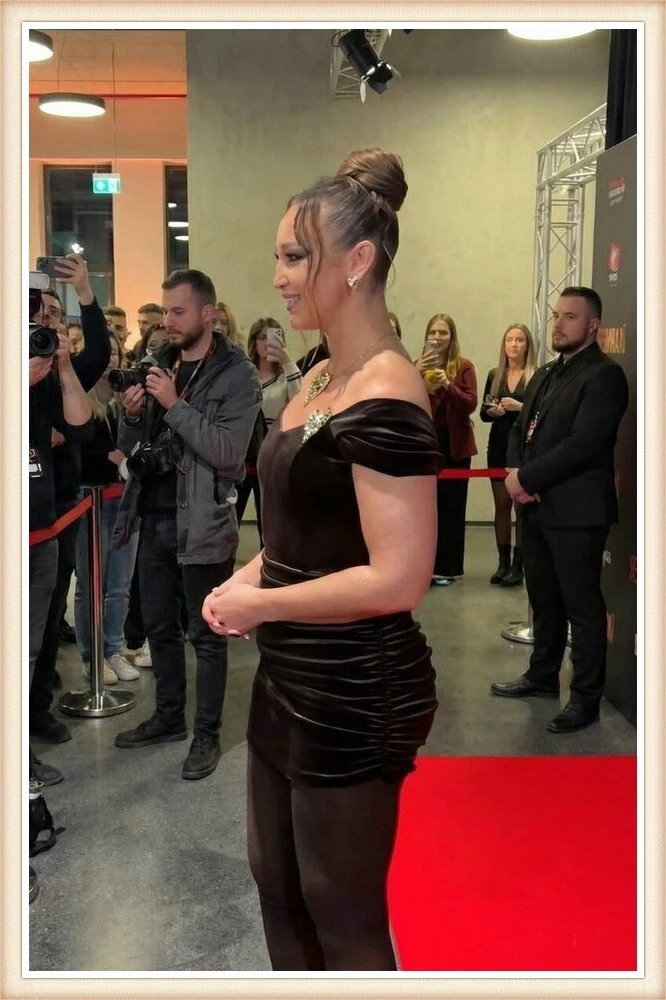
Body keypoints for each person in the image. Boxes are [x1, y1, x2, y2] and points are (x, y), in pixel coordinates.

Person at [202, 148, 440, 971]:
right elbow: (300, 532)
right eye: (279, 256)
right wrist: (244, 580)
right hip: (288, 674)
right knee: (278, 885)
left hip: (354, 689)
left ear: (358, 261)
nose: (279, 277)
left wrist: (262, 603)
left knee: (341, 907)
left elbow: (399, 577)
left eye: (296, 257)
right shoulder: (318, 378)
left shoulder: (387, 389)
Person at [112, 269, 261, 781]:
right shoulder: (159, 361)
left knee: (207, 633)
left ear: (207, 314)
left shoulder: (237, 375)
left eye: (179, 312)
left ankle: (207, 735)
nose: (169, 321)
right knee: (159, 627)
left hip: (203, 520)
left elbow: (227, 453)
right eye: (166, 311)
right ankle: (169, 717)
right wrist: (134, 415)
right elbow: (131, 446)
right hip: (153, 514)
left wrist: (174, 405)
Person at [490, 287, 629, 734]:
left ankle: (585, 698)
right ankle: (542, 675)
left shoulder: (605, 376)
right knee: (543, 598)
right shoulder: (548, 372)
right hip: (536, 508)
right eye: (556, 315)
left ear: (593, 325)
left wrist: (527, 480)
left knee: (581, 608)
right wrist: (517, 474)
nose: (559, 324)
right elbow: (520, 429)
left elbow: (584, 443)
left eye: (570, 317)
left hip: (577, 512)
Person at [29, 257, 112, 746]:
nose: (46, 322)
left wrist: (85, 292)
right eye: (37, 313)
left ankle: (37, 708)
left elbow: (98, 352)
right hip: (27, 515)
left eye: (53, 314)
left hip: (56, 509)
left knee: (44, 618)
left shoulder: (60, 371)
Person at [74, 332, 141, 685]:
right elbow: (78, 453)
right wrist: (111, 458)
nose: (111, 359)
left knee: (119, 585)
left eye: (116, 352)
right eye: (106, 352)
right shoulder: (79, 398)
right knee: (90, 585)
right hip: (90, 501)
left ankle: (113, 649)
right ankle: (91, 656)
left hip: (124, 500)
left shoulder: (125, 401)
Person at [416, 314, 477, 586]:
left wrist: (447, 384)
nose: (438, 338)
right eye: (433, 332)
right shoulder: (416, 365)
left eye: (443, 333)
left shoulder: (464, 367)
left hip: (455, 446)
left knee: (451, 508)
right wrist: (417, 375)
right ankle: (424, 566)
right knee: (425, 509)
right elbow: (407, 399)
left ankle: (448, 567)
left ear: (452, 337)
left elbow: (470, 403)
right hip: (425, 444)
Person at [236, 318, 302, 547]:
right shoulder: (244, 374)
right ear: (254, 342)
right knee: (232, 519)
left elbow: (301, 400)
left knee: (269, 524)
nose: (267, 343)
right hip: (242, 459)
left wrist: (287, 360)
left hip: (271, 457)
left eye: (273, 336)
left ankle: (268, 563)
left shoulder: (285, 377)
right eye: (262, 337)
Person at [479, 323, 536, 586]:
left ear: (527, 345)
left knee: (521, 508)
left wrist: (520, 406)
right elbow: (483, 412)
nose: (513, 344)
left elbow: (542, 411)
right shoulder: (495, 374)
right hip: (499, 445)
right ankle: (502, 562)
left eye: (519, 340)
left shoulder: (535, 375)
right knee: (501, 505)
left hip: (524, 448)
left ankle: (518, 565)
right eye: (509, 340)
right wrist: (492, 411)